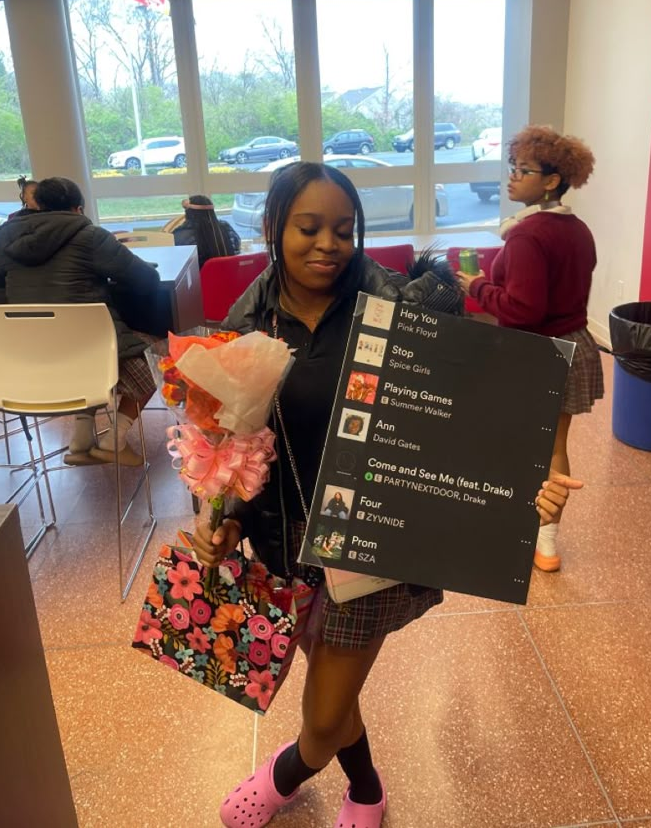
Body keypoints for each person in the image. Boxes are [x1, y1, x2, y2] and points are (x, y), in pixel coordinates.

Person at [192, 160, 582, 828]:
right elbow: (231, 439)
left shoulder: (396, 306)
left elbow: (468, 408)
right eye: (308, 228)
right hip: (285, 539)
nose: (328, 245)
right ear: (272, 228)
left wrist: (531, 477)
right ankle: (367, 790)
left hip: (371, 544)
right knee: (336, 695)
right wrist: (221, 515)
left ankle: (284, 773)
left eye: (344, 229)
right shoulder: (244, 320)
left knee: (320, 717)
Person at [458, 124, 603, 573]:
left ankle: (507, 527)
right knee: (553, 446)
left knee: (511, 446)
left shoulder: (526, 236)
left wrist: (478, 285)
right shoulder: (577, 229)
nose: (512, 176)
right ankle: (546, 543)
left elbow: (523, 311)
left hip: (533, 355)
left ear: (552, 180)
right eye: (513, 167)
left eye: (524, 170)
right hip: (574, 345)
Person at [0, 177, 161, 467]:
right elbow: (145, 280)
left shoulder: (7, 240)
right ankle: (114, 440)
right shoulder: (90, 236)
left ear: (37, 205)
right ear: (78, 209)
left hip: (26, 363)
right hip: (88, 357)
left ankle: (81, 440)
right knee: (159, 357)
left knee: (82, 351)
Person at [172, 194, 241, 268]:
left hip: (200, 278)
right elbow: (236, 248)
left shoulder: (181, 234)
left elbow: (178, 262)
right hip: (230, 276)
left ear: (188, 213)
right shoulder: (226, 227)